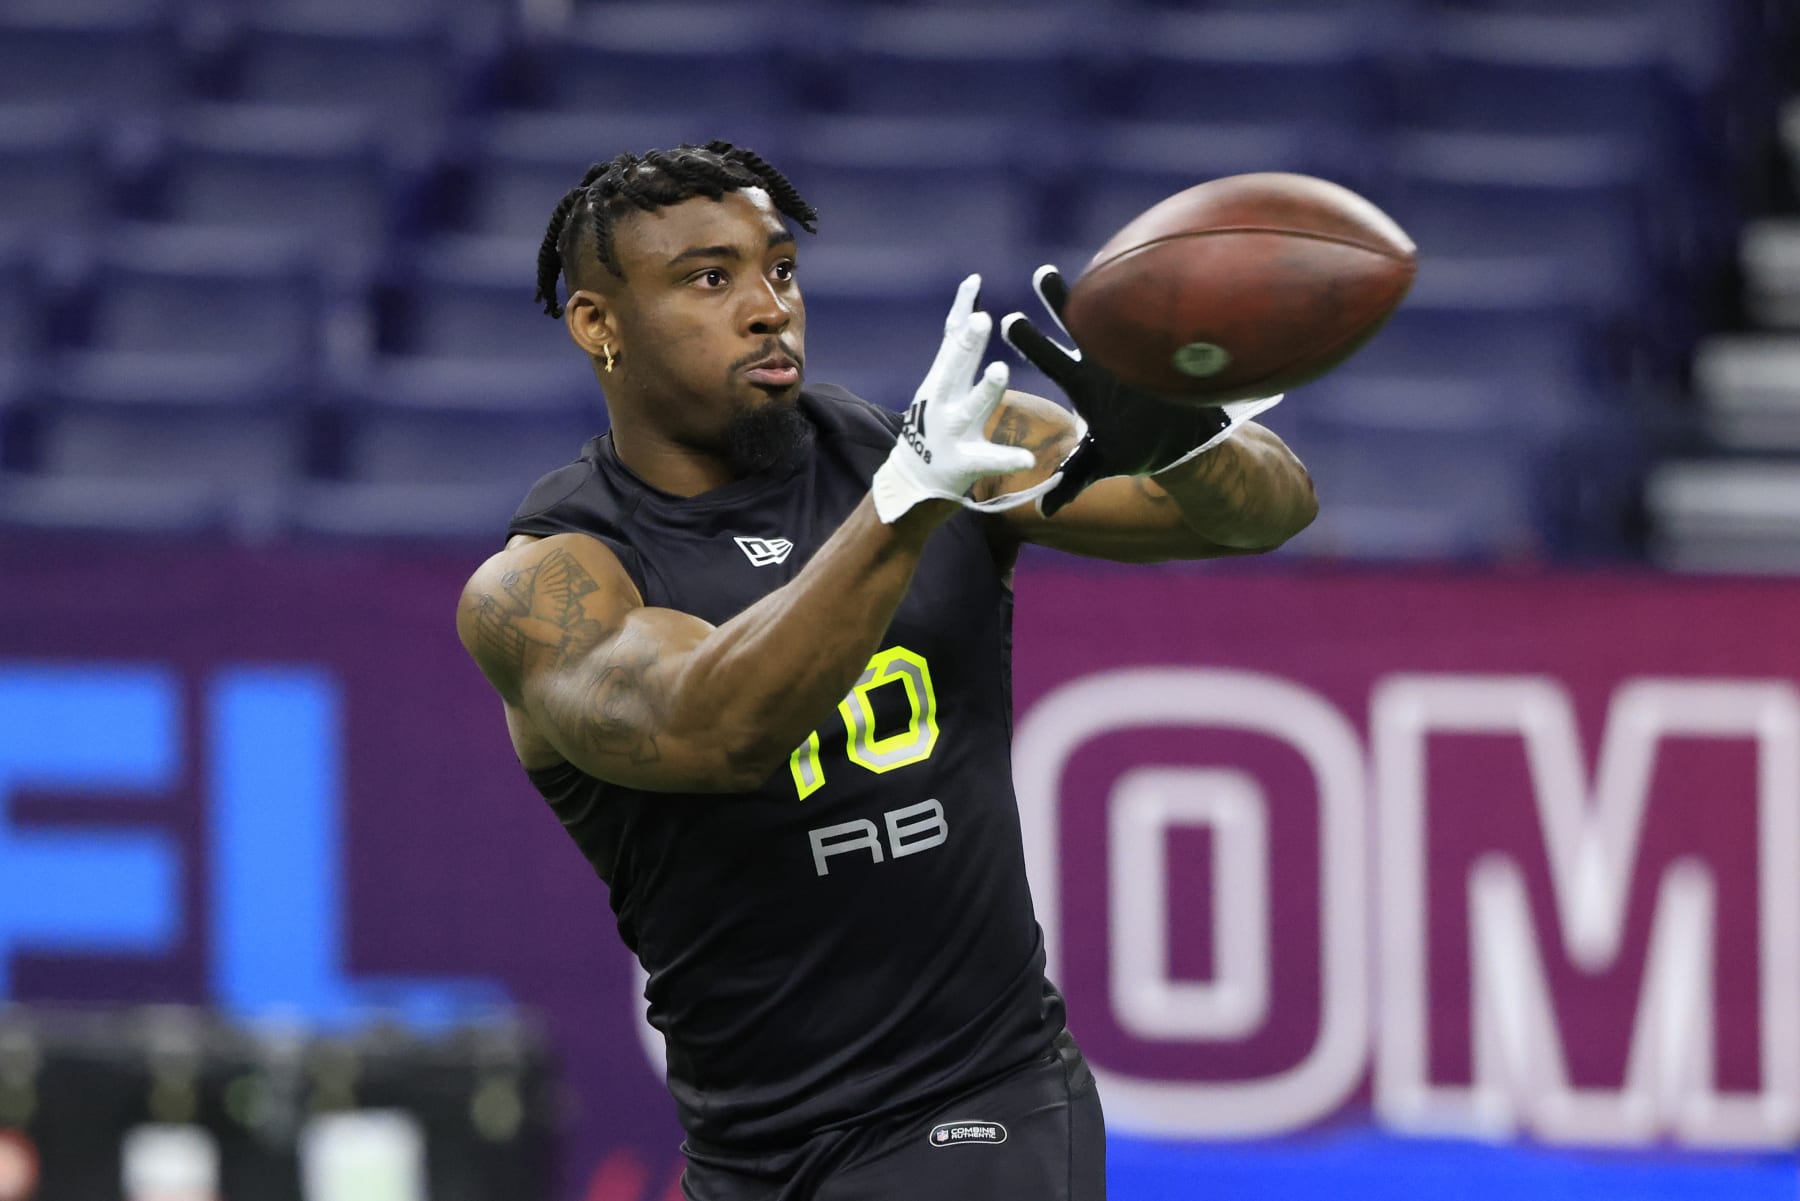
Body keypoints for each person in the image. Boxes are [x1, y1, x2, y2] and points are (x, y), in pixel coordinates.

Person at [455, 142, 1317, 1201]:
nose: (769, 307)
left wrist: (1189, 442)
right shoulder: (548, 583)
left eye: (780, 269)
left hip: (978, 1103)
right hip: (748, 1154)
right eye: (708, 278)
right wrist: (905, 502)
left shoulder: (941, 447)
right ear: (599, 325)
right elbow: (713, 729)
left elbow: (1265, 513)